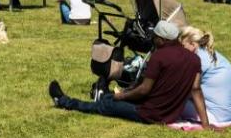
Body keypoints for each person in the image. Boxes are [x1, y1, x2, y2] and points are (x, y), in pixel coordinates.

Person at [48, 21, 211, 126]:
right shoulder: (194, 59)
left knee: (106, 105)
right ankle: (104, 96)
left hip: (149, 114)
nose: (153, 40)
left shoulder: (159, 56)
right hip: (170, 115)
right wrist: (206, 125)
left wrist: (123, 96)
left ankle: (64, 101)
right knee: (109, 98)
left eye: (155, 37)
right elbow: (196, 90)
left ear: (162, 39)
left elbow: (144, 89)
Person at [178, 27, 231, 124]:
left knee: (171, 100)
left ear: (192, 44)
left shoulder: (198, 60)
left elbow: (185, 88)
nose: (180, 50)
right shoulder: (214, 55)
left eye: (182, 46)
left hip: (215, 117)